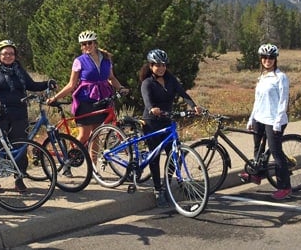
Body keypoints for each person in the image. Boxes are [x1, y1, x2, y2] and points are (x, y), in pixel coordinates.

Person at [0, 39, 56, 191]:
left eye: (11, 53)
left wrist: (47, 83)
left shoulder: (18, 69)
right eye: (5, 53)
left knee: (20, 146)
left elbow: (31, 85)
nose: (8, 56)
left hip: (19, 113)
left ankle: (19, 178)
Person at [140, 48, 202, 207]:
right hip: (152, 122)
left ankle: (167, 182)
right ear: (151, 66)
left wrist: (193, 106)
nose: (161, 68)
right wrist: (152, 108)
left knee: (176, 155)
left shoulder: (171, 79)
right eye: (157, 65)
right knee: (154, 158)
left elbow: (183, 94)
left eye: (163, 65)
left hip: (167, 120)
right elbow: (147, 101)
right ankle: (157, 190)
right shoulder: (147, 82)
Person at [47, 30, 128, 145]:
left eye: (89, 43)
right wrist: (55, 97)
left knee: (96, 135)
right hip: (85, 101)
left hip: (102, 99)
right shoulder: (79, 61)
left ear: (95, 43)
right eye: (84, 44)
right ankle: (71, 157)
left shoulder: (106, 60)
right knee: (84, 135)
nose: (87, 46)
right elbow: (71, 84)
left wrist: (120, 88)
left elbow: (111, 78)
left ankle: (92, 162)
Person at [241, 43, 291, 200]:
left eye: (270, 57)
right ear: (261, 59)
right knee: (258, 150)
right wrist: (251, 118)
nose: (267, 60)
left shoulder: (280, 77)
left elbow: (284, 100)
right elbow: (258, 100)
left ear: (275, 59)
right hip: (259, 118)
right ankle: (257, 174)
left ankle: (285, 187)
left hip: (274, 120)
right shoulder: (261, 77)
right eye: (264, 57)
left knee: (276, 153)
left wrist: (277, 121)